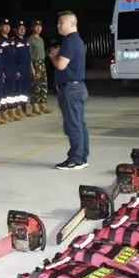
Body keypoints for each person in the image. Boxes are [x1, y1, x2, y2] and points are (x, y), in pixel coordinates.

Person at [50, 11, 89, 170]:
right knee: (79, 124)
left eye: (61, 23)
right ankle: (82, 157)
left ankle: (76, 159)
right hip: (77, 87)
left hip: (71, 89)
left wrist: (53, 56)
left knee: (73, 125)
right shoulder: (77, 40)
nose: (58, 25)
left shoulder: (69, 41)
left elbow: (61, 65)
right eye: (58, 23)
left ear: (72, 24)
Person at [14, 20, 36, 118]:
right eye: (20, 29)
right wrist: (16, 70)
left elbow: (29, 56)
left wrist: (32, 68)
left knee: (27, 88)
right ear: (16, 30)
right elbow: (13, 58)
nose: (23, 30)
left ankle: (26, 107)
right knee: (19, 89)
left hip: (27, 68)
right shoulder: (14, 41)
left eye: (24, 29)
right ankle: (19, 109)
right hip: (20, 69)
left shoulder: (26, 41)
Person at [29, 20, 51, 114]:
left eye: (40, 26)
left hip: (42, 63)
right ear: (32, 28)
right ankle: (35, 106)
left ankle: (43, 105)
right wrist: (32, 68)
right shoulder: (30, 40)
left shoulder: (41, 39)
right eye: (36, 26)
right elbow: (29, 56)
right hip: (35, 63)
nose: (38, 28)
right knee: (36, 85)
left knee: (43, 85)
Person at [0, 19, 16, 123]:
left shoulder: (11, 40)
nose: (7, 27)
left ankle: (11, 111)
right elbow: (0, 58)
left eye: (8, 26)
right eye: (5, 26)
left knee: (11, 91)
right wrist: (2, 71)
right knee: (4, 92)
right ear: (1, 27)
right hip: (4, 69)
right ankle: (3, 113)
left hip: (12, 68)